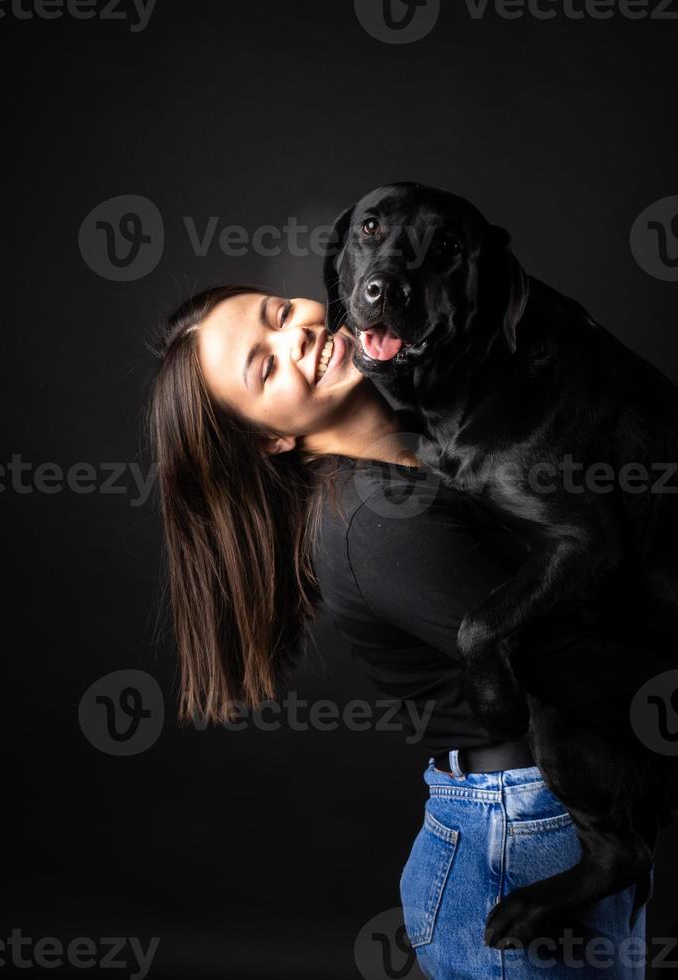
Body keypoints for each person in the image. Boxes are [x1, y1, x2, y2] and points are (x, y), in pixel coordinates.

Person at [148, 283, 649, 979]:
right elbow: (583, 670)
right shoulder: (377, 526)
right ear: (272, 438)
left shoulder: (431, 437)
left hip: (574, 813)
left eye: (282, 312)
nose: (296, 336)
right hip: (518, 842)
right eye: (264, 367)